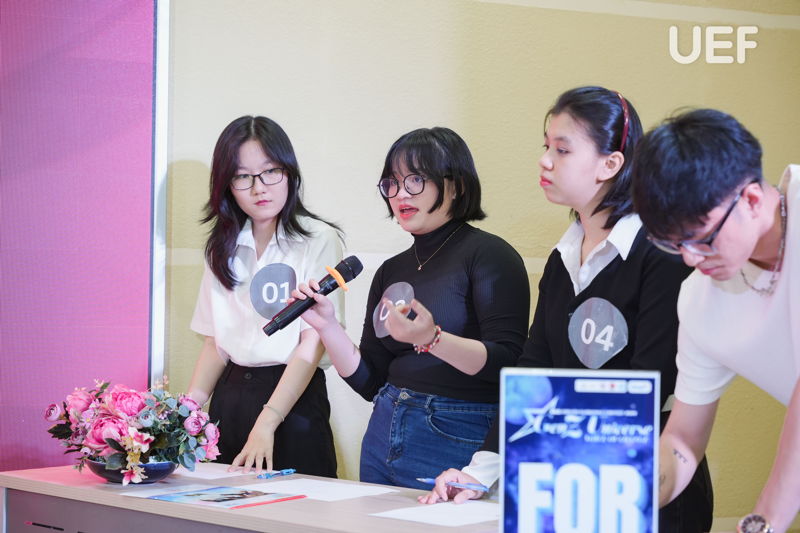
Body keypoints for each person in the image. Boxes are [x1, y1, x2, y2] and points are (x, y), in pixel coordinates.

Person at [419, 87, 713, 532]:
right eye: (546, 147)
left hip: (651, 483)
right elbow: (533, 372)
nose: (544, 161)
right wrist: (481, 472)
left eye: (562, 149)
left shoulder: (661, 253)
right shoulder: (563, 258)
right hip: (570, 480)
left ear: (610, 164)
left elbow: (651, 383)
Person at [291, 127, 530, 489]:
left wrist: (433, 339)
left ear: (455, 185)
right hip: (383, 430)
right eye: (392, 183)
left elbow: (508, 364)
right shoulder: (391, 270)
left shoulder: (491, 255)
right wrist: (327, 326)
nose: (400, 194)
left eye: (415, 180)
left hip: (457, 433)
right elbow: (371, 381)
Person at [631, 109, 799, 533]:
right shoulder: (699, 300)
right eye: (672, 244)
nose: (690, 258)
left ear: (752, 200)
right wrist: (633, 491)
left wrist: (765, 521)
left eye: (702, 238)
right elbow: (683, 439)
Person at [187, 115, 342, 477]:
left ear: (289, 172)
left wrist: (268, 421)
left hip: (292, 398)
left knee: (300, 505)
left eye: (270, 171)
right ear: (227, 185)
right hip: (230, 398)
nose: (259, 188)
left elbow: (313, 341)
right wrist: (186, 413)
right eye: (243, 176)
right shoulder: (221, 247)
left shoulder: (317, 239)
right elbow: (215, 343)